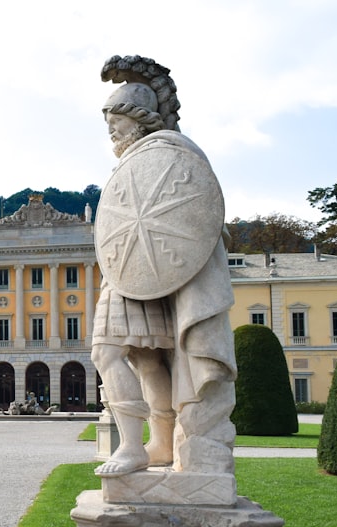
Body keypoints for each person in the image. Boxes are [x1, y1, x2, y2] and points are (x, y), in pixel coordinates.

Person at [92, 55, 236, 478]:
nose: (112, 132)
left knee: (107, 351)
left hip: (151, 269)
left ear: (139, 120)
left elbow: (200, 215)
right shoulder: (140, 159)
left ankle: (134, 447)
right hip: (134, 266)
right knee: (145, 357)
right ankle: (159, 443)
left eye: (116, 123)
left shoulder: (170, 152)